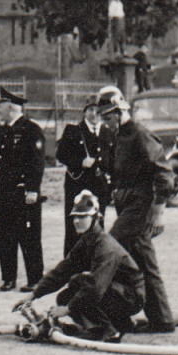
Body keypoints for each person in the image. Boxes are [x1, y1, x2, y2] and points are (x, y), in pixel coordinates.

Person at [97, 85, 177, 333]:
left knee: (110, 249)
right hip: (126, 203)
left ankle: (118, 316)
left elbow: (165, 173)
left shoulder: (140, 135)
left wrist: (159, 210)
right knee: (142, 259)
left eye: (108, 118)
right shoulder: (118, 135)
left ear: (119, 112)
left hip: (139, 205)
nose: (106, 123)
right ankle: (160, 319)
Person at [13, 190, 143, 343]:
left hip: (130, 296)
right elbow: (61, 272)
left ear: (95, 218)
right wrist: (34, 295)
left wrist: (67, 309)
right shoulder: (87, 240)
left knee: (80, 285)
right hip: (114, 291)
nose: (76, 221)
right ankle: (119, 324)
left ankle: (108, 332)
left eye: (82, 217)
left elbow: (96, 287)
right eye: (75, 217)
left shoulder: (106, 246)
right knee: (65, 296)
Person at [0, 88, 45, 293]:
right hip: (5, 194)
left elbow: (36, 163)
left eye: (0, 107)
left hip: (23, 193)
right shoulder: (3, 130)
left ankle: (35, 278)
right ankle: (9, 278)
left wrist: (32, 189)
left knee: (29, 237)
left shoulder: (31, 130)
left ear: (11, 108)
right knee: (6, 237)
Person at [56, 96, 109, 257]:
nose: (94, 114)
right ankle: (72, 264)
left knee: (97, 224)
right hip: (78, 186)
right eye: (91, 110)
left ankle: (95, 261)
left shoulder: (108, 132)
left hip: (99, 186)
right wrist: (80, 162)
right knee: (75, 225)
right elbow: (60, 155)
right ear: (84, 112)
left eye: (98, 111)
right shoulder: (73, 131)